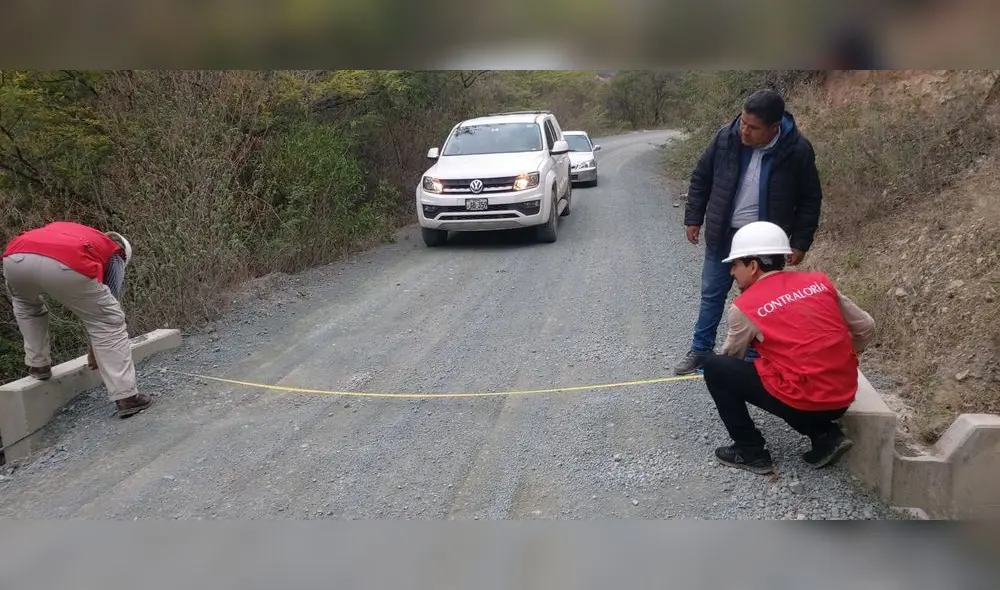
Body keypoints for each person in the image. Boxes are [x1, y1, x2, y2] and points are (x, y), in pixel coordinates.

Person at [701, 221, 876, 475]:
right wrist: (835, 355)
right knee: (781, 370)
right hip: (844, 395)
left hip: (807, 401)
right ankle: (825, 436)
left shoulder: (745, 305)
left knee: (717, 368)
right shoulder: (819, 282)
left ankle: (750, 450)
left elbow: (732, 359)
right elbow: (866, 327)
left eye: (735, 265)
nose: (731, 273)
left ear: (753, 265)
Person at [675, 88, 824, 375]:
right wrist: (693, 217)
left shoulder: (796, 150)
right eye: (743, 122)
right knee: (712, 294)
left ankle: (756, 358)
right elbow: (701, 177)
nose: (744, 130)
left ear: (774, 127)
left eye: (753, 127)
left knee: (763, 303)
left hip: (766, 244)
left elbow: (810, 199)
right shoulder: (725, 137)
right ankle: (700, 351)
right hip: (724, 234)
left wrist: (801, 241)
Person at [2, 221, 153, 418]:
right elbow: (105, 309)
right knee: (109, 321)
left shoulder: (77, 233)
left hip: (15, 258)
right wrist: (95, 351)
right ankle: (126, 396)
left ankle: (38, 364)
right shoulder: (116, 253)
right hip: (66, 262)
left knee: (27, 308)